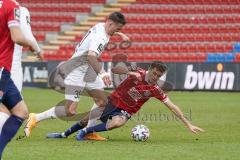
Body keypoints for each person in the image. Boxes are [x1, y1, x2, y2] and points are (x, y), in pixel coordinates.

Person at [24, 12, 129, 140]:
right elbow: (91, 56)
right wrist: (103, 73)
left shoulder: (103, 26)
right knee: (70, 111)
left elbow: (108, 31)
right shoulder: (100, 37)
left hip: (88, 70)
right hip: (77, 70)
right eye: (117, 29)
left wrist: (119, 33)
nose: (117, 31)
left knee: (102, 102)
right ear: (111, 23)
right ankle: (36, 117)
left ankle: (88, 132)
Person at [46, 61, 204, 141]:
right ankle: (63, 134)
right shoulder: (137, 71)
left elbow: (172, 106)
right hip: (112, 101)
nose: (155, 77)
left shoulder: (155, 89)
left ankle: (86, 132)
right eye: (154, 73)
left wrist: (188, 124)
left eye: (158, 76)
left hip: (125, 111)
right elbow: (115, 69)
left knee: (118, 123)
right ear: (150, 69)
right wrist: (129, 72)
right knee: (86, 118)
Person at [0, 0, 41, 159]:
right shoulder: (13, 7)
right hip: (4, 67)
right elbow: (18, 36)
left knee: (20, 111)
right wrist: (35, 48)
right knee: (6, 111)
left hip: (5, 68)